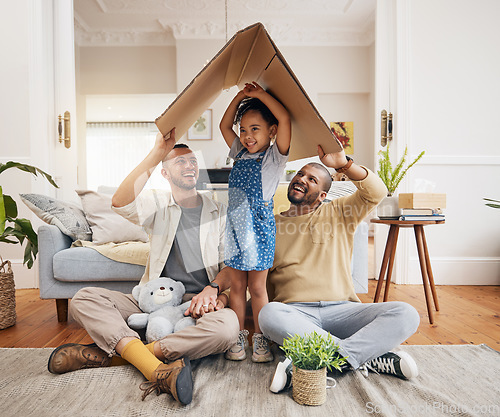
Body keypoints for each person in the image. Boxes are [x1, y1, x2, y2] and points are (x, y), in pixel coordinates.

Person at [47, 129, 239, 405]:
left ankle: (120, 356)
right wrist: (157, 153)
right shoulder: (157, 204)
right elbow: (120, 202)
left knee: (227, 330)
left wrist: (215, 292)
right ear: (165, 173)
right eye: (180, 162)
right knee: (83, 298)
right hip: (152, 300)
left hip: (196, 305)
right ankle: (156, 368)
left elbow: (231, 266)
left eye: (193, 161)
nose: (189, 166)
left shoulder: (218, 212)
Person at [259, 145, 421, 393]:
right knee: (269, 314)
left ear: (323, 195)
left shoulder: (340, 212)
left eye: (311, 179)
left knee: (407, 313)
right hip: (297, 315)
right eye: (300, 175)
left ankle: (311, 362)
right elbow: (262, 285)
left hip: (345, 311)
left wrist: (343, 164)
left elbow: (376, 192)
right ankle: (368, 357)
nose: (301, 180)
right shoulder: (270, 225)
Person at [219, 81, 291, 363]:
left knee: (257, 288)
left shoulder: (274, 158)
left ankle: (260, 339)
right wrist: (239, 96)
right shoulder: (238, 152)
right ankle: (237, 337)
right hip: (235, 228)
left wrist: (259, 95)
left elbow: (284, 117)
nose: (248, 136)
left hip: (260, 229)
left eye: (255, 129)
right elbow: (225, 126)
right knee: (236, 287)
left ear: (271, 132)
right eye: (244, 130)